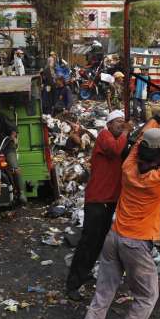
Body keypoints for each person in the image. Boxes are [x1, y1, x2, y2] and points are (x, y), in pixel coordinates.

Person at [76, 97, 160, 319]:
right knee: (148, 296)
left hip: (113, 237)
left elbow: (137, 141)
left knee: (103, 294)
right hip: (136, 244)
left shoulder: (128, 168)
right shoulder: (159, 178)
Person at [66, 110, 129, 302]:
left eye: (123, 122)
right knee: (88, 242)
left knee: (98, 241)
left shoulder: (119, 140)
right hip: (97, 200)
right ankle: (72, 284)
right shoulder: (105, 136)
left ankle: (84, 273)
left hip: (108, 201)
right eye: (118, 122)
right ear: (108, 124)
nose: (121, 125)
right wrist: (126, 132)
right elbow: (115, 151)